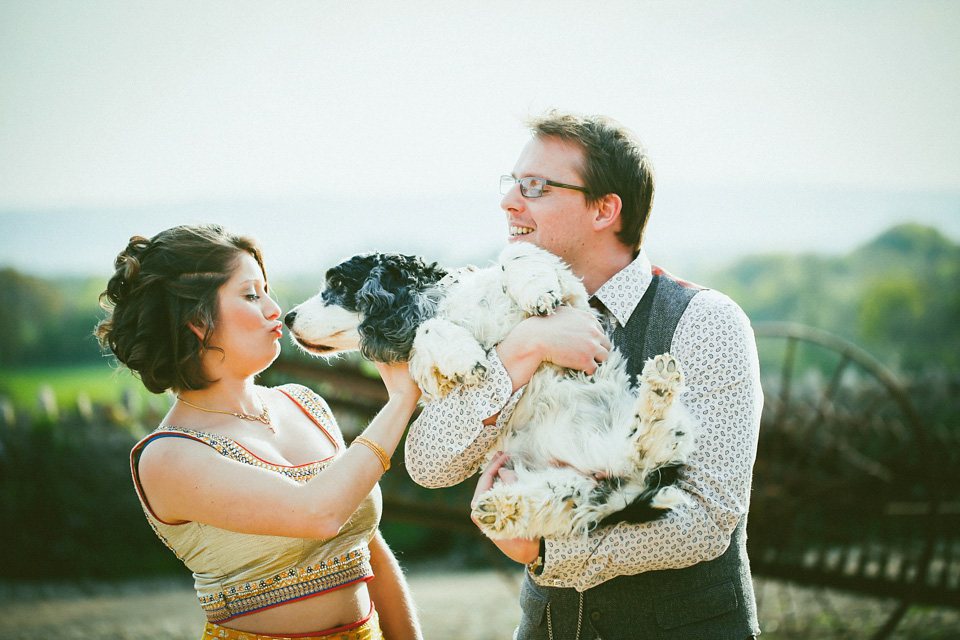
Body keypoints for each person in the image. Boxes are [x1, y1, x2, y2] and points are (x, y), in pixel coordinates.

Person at [404, 112, 763, 640]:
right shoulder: (502, 314)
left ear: (604, 209)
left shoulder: (706, 322)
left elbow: (708, 521)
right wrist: (521, 350)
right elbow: (428, 465)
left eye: (536, 187)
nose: (509, 202)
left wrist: (550, 552)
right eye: (512, 183)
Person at [96, 224, 423, 640]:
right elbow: (319, 513)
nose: (275, 309)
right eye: (252, 294)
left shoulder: (305, 405)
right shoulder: (167, 455)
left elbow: (365, 545)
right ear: (198, 320)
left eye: (267, 290)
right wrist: (400, 400)